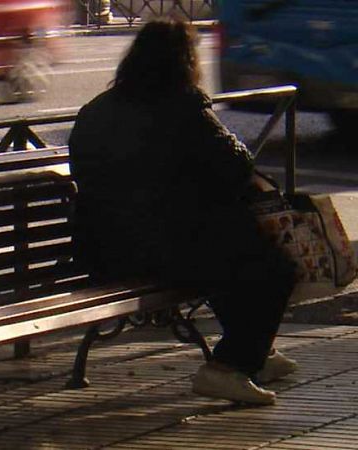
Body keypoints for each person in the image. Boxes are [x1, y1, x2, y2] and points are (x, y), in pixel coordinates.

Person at [68, 18, 298, 405]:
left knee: (230, 256)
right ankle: (228, 366)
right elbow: (237, 164)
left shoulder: (95, 111)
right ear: (184, 62)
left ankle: (255, 352)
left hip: (105, 251)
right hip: (164, 251)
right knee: (275, 266)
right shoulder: (183, 105)